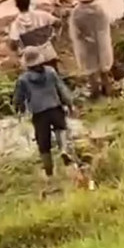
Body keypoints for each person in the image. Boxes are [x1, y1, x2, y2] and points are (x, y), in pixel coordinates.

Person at [13, 46, 75, 178]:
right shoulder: (50, 72)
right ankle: (63, 149)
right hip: (55, 107)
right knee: (61, 128)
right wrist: (69, 104)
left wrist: (19, 109)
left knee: (43, 142)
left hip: (39, 113)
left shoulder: (23, 80)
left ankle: (49, 172)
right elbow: (61, 89)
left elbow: (19, 98)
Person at [68, 0, 114, 98]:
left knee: (91, 71)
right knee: (104, 69)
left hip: (86, 46)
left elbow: (76, 32)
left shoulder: (77, 13)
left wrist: (85, 38)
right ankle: (107, 91)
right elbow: (105, 25)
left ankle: (95, 93)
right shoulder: (100, 9)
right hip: (102, 43)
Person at [9, 0, 60, 71]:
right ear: (29, 2)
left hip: (32, 59)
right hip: (48, 54)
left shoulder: (16, 25)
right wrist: (53, 35)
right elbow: (58, 23)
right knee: (53, 78)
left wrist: (19, 50)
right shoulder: (42, 15)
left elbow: (12, 44)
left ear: (16, 5)